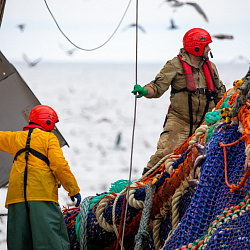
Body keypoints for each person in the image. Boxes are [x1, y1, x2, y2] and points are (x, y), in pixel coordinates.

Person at [132, 28, 226, 175]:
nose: (209, 49)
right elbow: (156, 87)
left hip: (204, 125)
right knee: (165, 154)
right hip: (179, 122)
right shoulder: (174, 65)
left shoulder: (210, 67)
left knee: (207, 161)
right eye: (206, 45)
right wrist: (145, 91)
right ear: (196, 46)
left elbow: (221, 94)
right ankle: (145, 187)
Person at [1, 105, 81, 250]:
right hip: (41, 196)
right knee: (51, 242)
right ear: (47, 121)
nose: (55, 128)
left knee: (18, 244)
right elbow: (60, 166)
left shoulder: (15, 137)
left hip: (16, 200)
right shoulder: (49, 138)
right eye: (54, 123)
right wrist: (73, 190)